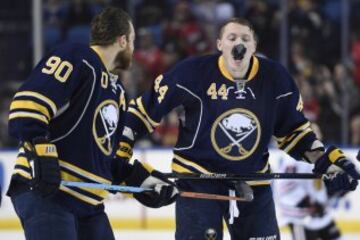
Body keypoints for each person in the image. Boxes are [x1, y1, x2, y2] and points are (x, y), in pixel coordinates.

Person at [117, 17, 360, 240]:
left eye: (245, 38)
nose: (238, 43)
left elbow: (294, 133)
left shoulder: (276, 79)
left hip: (253, 182)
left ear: (254, 46)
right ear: (219, 44)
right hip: (197, 178)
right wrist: (122, 150)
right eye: (232, 38)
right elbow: (142, 111)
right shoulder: (191, 73)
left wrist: (325, 160)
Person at [7, 7, 177, 240]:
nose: (134, 49)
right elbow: (26, 106)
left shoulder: (117, 92)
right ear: (122, 40)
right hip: (48, 193)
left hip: (88, 206)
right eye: (133, 41)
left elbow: (108, 161)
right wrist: (42, 152)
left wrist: (143, 180)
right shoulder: (77, 57)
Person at [272, 155, 344, 240]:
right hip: (300, 219)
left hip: (323, 216)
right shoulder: (291, 160)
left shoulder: (319, 153)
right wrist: (310, 204)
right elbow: (285, 187)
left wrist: (336, 190)